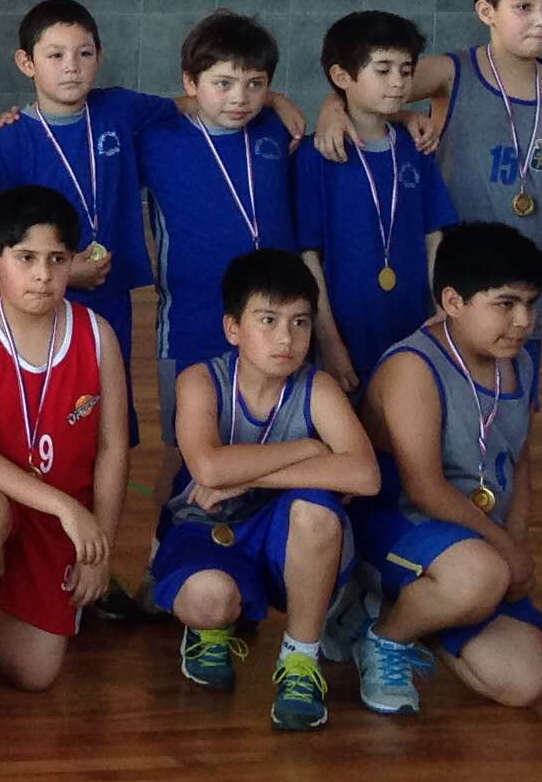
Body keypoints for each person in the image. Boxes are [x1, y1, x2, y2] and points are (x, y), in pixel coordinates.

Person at [328, 0, 542, 371]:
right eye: (524, 7)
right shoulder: (450, 73)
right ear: (487, 11)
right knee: (442, 388)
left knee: (513, 393)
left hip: (519, 284)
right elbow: (362, 91)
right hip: (447, 282)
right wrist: (332, 108)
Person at [0, 185, 129, 736]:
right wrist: (68, 509)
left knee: (35, 674)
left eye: (57, 260)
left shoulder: (97, 335)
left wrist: (100, 549)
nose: (42, 275)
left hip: (59, 505)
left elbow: (112, 449)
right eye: (27, 258)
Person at [143, 248, 376, 727]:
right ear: (233, 328)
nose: (286, 338)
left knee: (317, 511)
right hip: (206, 526)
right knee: (210, 598)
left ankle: (300, 659)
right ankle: (209, 630)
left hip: (279, 536)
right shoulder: (200, 380)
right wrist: (308, 450)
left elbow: (364, 475)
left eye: (299, 323)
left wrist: (248, 476)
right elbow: (209, 469)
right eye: (268, 320)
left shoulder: (318, 387)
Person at [350, 223, 542, 718]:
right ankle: (385, 636)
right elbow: (423, 488)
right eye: (505, 304)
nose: (523, 320)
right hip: (397, 526)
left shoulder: (519, 362)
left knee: (525, 682)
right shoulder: (414, 367)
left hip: (473, 541)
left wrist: (516, 541)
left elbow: (520, 458)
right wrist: (505, 551)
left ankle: (422, 608)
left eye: (530, 303)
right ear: (452, 301)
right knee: (479, 576)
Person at [0, 1, 153, 452]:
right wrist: (65, 270)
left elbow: (195, 104)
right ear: (26, 62)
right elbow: (4, 233)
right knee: (52, 409)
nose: (71, 67)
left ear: (100, 55)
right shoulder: (9, 140)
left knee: (110, 413)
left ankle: (104, 496)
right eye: (55, 55)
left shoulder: (119, 108)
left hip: (111, 291)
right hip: (42, 297)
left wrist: (283, 101)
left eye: (84, 53)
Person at [134, 12, 301, 426]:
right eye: (223, 84)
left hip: (277, 316)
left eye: (255, 84)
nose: (240, 98)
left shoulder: (275, 128)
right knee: (184, 440)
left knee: (278, 429)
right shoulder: (157, 137)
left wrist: (288, 102)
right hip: (192, 317)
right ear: (190, 83)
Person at [294, 10, 458, 394]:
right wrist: (329, 341)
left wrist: (441, 311)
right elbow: (307, 256)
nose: (398, 82)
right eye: (383, 70)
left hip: (412, 327)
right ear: (342, 77)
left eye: (406, 70)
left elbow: (433, 237)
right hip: (344, 331)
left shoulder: (417, 147)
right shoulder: (314, 157)